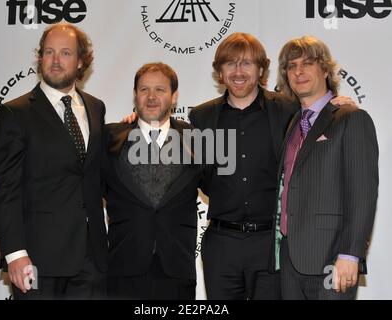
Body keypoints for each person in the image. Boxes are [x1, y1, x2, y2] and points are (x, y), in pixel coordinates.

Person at [188, 32, 355, 300]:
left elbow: (317, 112)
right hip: (221, 244)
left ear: (261, 70)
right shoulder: (201, 117)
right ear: (220, 72)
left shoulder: (288, 109)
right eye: (230, 64)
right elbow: (179, 153)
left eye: (247, 64)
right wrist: (139, 118)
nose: (238, 72)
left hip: (272, 245)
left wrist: (334, 106)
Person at [0, 23, 108, 299]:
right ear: (40, 57)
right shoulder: (15, 113)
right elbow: (6, 190)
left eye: (65, 53)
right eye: (48, 52)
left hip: (92, 258)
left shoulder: (95, 107)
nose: (55, 60)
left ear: (81, 62)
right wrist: (16, 254)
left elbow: (96, 171)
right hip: (37, 258)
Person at [274, 35, 378, 299]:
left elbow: (363, 193)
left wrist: (350, 254)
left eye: (308, 63)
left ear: (325, 69)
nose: (299, 71)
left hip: (333, 260)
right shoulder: (294, 122)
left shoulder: (351, 119)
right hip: (290, 260)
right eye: (292, 65)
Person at [103, 63, 203, 299]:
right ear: (135, 95)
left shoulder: (196, 140)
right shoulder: (109, 138)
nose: (151, 97)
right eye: (144, 89)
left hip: (177, 268)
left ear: (174, 96)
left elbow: (219, 189)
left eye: (160, 90)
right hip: (124, 268)